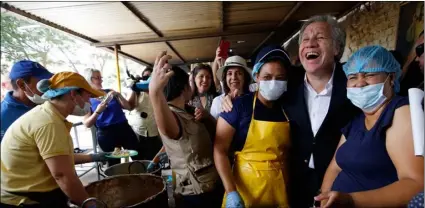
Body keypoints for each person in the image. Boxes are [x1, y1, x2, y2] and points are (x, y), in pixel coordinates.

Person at [221, 15, 361, 208]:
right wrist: (231, 98)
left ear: (337, 48)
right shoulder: (289, 85)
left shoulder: (354, 85)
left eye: (320, 37)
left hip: (340, 186)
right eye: (305, 39)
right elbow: (262, 91)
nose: (310, 44)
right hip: (293, 186)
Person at [315, 45, 424, 207]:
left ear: (392, 78)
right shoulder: (357, 121)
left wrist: (351, 200)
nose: (359, 83)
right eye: (352, 77)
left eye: (370, 75)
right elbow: (335, 168)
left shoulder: (400, 111)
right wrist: (322, 199)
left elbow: (416, 184)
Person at [1, 72, 105, 208]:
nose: (89, 102)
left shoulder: (48, 115)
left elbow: (59, 159)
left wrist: (93, 157)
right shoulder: (49, 123)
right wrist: (88, 204)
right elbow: (62, 175)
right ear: (73, 94)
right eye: (88, 96)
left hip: (32, 192)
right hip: (26, 200)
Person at [214, 45, 292, 208]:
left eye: (280, 77)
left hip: (278, 188)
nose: (273, 82)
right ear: (256, 76)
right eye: (267, 77)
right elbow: (219, 150)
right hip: (245, 188)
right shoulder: (239, 106)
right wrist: (231, 192)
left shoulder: (289, 108)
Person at [148, 51, 222, 208]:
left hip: (210, 184)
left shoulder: (187, 110)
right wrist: (154, 92)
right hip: (196, 192)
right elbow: (168, 130)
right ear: (184, 87)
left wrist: (207, 117)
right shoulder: (172, 115)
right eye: (190, 83)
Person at [82, 68, 140, 167]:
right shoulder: (87, 99)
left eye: (101, 77)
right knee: (114, 163)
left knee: (137, 155)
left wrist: (119, 95)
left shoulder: (109, 92)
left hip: (124, 128)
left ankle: (143, 177)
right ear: (89, 79)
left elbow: (128, 107)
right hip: (106, 133)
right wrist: (98, 111)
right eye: (97, 78)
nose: (101, 80)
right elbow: (87, 123)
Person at [1, 60, 53, 141]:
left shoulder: (46, 104)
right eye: (42, 83)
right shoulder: (3, 116)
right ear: (22, 85)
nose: (48, 87)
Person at [127, 67, 162, 160]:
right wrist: (134, 89)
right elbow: (130, 106)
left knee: (154, 160)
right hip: (138, 133)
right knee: (139, 161)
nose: (146, 79)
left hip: (154, 133)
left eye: (149, 77)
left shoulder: (159, 92)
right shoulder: (137, 91)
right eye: (144, 77)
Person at [210, 55, 252, 119]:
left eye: (239, 73)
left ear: (245, 77)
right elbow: (212, 126)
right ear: (225, 78)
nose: (234, 77)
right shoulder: (217, 101)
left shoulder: (253, 98)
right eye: (229, 73)